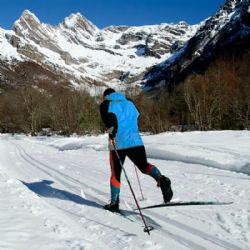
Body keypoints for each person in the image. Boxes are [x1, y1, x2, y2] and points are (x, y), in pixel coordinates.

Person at [100, 88, 173, 212]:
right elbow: (137, 114)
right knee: (144, 165)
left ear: (106, 96)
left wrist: (112, 133)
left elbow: (111, 122)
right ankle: (161, 179)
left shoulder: (105, 104)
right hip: (135, 141)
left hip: (117, 143)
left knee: (116, 173)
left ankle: (114, 203)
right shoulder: (129, 102)